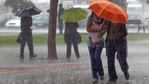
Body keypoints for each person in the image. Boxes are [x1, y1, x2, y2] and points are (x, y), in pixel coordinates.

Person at [86, 12, 107, 84]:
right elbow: (88, 29)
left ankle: (101, 73)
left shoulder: (103, 19)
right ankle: (95, 77)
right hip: (91, 41)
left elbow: (105, 29)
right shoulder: (90, 18)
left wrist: (102, 32)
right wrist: (98, 29)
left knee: (97, 57)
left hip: (100, 41)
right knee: (92, 59)